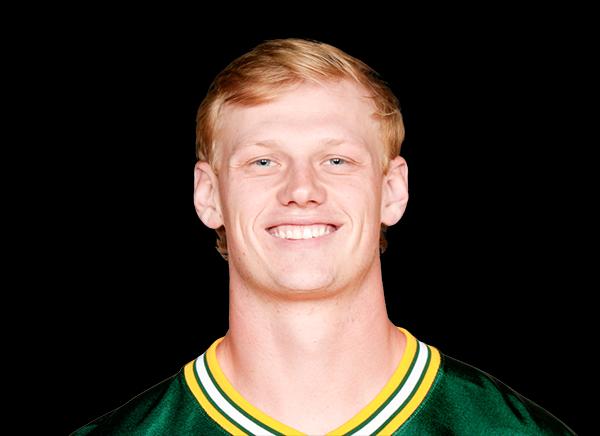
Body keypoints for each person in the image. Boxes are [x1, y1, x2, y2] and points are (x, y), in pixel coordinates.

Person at [73, 38, 575, 435]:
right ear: (208, 195)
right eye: (263, 161)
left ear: (393, 191)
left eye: (336, 160)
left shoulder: (511, 430)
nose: (301, 190)